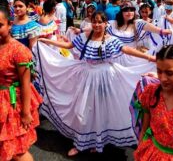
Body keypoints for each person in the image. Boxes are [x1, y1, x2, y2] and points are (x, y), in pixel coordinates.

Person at [36, 11, 156, 157]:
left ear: (106, 23)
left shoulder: (111, 40)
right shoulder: (85, 37)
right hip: (87, 76)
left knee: (101, 110)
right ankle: (81, 143)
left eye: (100, 22)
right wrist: (48, 41)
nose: (97, 24)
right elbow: (68, 45)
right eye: (94, 21)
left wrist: (149, 57)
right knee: (85, 110)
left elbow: (127, 50)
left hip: (106, 78)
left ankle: (97, 142)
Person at [0, 6, 42, 161]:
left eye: (0, 25)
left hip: (12, 105)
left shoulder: (19, 50)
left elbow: (26, 84)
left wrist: (25, 113)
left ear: (9, 24)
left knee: (17, 151)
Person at [107, 1, 171, 66]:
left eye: (132, 10)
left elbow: (149, 26)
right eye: (126, 10)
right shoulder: (112, 24)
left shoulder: (137, 24)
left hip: (131, 60)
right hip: (114, 61)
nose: (129, 13)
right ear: (121, 12)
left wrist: (162, 31)